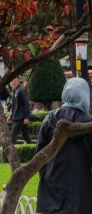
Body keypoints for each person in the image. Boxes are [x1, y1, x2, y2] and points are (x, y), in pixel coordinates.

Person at [36, 77, 92, 213]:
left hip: (51, 187)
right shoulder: (89, 125)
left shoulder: (50, 119)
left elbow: (39, 156)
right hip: (81, 192)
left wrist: (47, 174)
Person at [9, 77, 31, 144]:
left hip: (21, 117)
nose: (12, 81)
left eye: (13, 79)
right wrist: (11, 116)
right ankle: (33, 150)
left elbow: (26, 103)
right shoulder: (16, 90)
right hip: (18, 116)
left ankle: (12, 152)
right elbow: (14, 105)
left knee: (12, 136)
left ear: (17, 80)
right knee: (25, 135)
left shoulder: (21, 90)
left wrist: (26, 117)